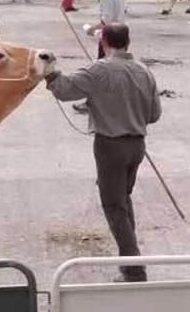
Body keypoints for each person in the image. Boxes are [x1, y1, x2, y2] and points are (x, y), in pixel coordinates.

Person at [45, 22, 160, 283]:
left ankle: (133, 268)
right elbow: (154, 114)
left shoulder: (100, 69)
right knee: (123, 199)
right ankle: (133, 258)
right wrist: (131, 114)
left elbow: (65, 90)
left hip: (111, 147)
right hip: (137, 146)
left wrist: (50, 71)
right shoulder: (145, 70)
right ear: (127, 42)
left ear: (104, 42)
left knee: (114, 205)